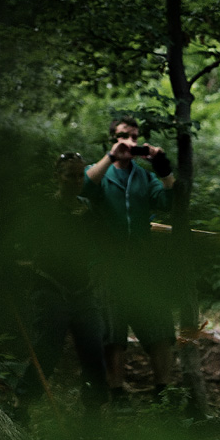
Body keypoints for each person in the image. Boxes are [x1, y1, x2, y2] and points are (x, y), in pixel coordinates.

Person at [82, 115, 176, 408]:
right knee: (113, 331)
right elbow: (84, 188)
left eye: (134, 137)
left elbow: (169, 202)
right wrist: (111, 157)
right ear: (112, 138)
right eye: (124, 136)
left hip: (142, 264)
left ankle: (163, 391)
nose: (130, 142)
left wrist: (163, 167)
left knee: (159, 326)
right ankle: (116, 392)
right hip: (107, 263)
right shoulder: (100, 172)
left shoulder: (143, 177)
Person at [14, 152, 108, 425]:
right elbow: (21, 243)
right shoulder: (43, 209)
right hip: (49, 286)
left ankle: (93, 412)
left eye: (80, 176)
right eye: (70, 176)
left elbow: (102, 245)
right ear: (57, 177)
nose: (76, 181)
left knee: (93, 348)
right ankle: (22, 405)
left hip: (83, 289)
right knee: (47, 348)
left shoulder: (88, 210)